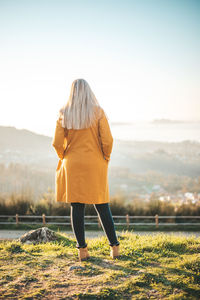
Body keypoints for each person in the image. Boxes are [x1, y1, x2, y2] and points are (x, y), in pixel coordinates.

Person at [52, 78, 120, 261]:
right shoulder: (98, 112)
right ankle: (114, 247)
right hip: (95, 163)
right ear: (89, 92)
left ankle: (82, 251)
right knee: (102, 204)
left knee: (77, 206)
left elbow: (57, 143)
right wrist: (106, 157)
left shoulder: (64, 112)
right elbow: (108, 141)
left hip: (72, 163)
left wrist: (64, 157)